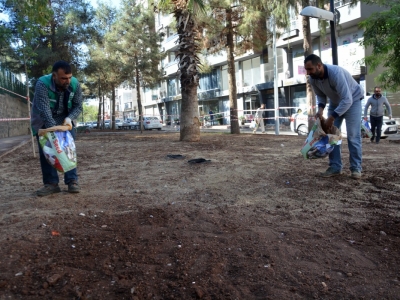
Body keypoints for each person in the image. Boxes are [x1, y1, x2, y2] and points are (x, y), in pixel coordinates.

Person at [304, 54, 364, 179]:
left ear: (319, 66)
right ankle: (335, 166)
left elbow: (347, 100)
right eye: (306, 70)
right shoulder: (313, 79)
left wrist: (331, 117)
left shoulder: (335, 73)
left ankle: (356, 168)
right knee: (332, 136)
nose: (308, 73)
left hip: (353, 100)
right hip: (335, 102)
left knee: (353, 136)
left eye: (310, 69)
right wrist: (320, 110)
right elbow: (320, 96)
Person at [31, 61, 83, 196]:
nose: (67, 81)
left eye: (69, 77)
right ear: (54, 76)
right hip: (44, 120)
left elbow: (78, 106)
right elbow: (44, 110)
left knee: (68, 149)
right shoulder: (42, 84)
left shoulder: (75, 84)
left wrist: (69, 118)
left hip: (65, 120)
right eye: (63, 78)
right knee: (47, 151)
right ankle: (51, 184)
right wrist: (53, 132)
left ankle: (72, 180)